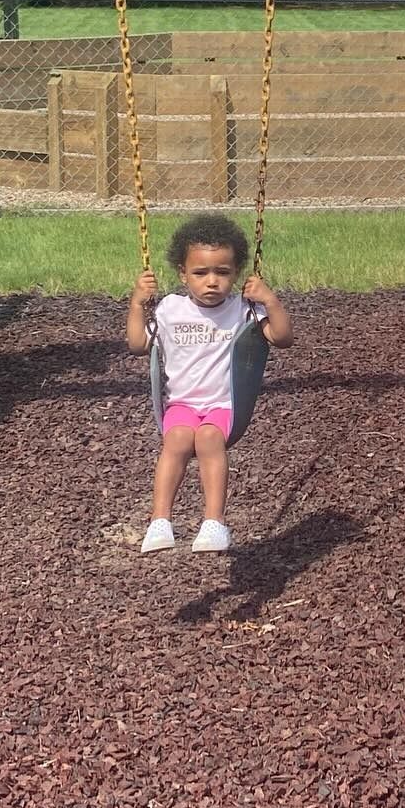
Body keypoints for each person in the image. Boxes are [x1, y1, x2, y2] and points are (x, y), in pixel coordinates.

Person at [128, 214, 294, 554]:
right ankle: (160, 521)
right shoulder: (170, 309)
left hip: (223, 406)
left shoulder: (241, 310)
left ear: (236, 274)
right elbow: (137, 345)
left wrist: (270, 301)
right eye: (200, 273)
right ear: (182, 274)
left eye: (222, 272)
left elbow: (282, 338)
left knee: (207, 438)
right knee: (176, 438)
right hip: (181, 405)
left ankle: (214, 522)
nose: (212, 281)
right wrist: (136, 305)